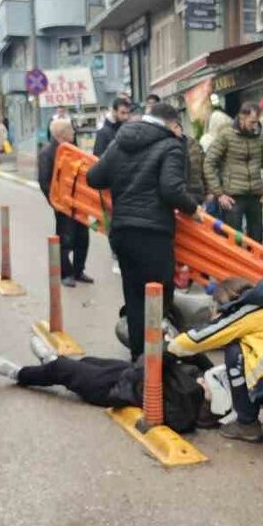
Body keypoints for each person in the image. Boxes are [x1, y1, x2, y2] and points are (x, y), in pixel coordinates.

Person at [86, 102, 202, 359]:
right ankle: (155, 359)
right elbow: (171, 189)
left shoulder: (120, 140)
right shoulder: (171, 145)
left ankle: (139, 358)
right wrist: (193, 209)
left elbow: (94, 177)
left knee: (135, 293)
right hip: (153, 233)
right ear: (172, 123)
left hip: (123, 232)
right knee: (160, 295)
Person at [0, 337, 208, 434]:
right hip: (127, 375)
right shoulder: (196, 384)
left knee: (64, 371)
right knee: (87, 361)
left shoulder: (185, 405)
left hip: (117, 389)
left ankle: (20, 373)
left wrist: (166, 352)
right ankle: (52, 362)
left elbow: (148, 369)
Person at [167, 277, 263, 443]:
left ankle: (247, 424)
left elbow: (202, 337)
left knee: (235, 352)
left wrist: (169, 346)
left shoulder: (247, 311)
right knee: (254, 359)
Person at [205, 103, 263, 243]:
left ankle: (255, 266)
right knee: (233, 242)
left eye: (257, 121)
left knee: (257, 242)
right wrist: (219, 194)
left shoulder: (261, 138)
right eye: (252, 122)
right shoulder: (226, 136)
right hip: (232, 197)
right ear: (242, 117)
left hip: (255, 196)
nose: (255, 126)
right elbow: (209, 162)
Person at [38, 118, 93, 287]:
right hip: (63, 204)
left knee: (83, 237)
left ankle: (79, 270)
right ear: (62, 134)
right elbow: (44, 181)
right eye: (71, 130)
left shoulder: (72, 149)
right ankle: (66, 273)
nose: (74, 132)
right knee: (66, 239)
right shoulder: (48, 153)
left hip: (78, 202)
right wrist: (55, 202)